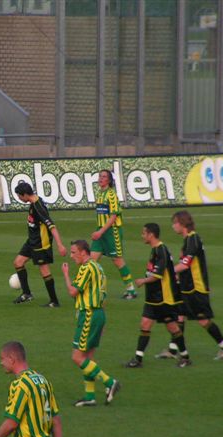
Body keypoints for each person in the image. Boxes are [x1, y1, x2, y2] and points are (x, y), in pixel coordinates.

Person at [155, 211, 223, 361]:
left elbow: (185, 264)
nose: (173, 227)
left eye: (174, 223)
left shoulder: (193, 239)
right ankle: (173, 350)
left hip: (196, 288)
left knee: (203, 320)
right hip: (187, 287)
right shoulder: (188, 240)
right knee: (179, 316)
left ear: (182, 223)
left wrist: (167, 273)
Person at [124, 223, 192, 368]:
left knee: (173, 328)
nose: (142, 236)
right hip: (152, 298)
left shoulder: (161, 250)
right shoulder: (154, 250)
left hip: (163, 298)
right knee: (145, 324)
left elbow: (158, 275)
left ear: (151, 235)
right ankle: (138, 359)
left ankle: (185, 357)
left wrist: (143, 280)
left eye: (144, 233)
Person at [61, 240, 120, 407]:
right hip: (99, 313)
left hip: (88, 314)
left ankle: (110, 382)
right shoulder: (98, 267)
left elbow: (73, 292)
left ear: (83, 252)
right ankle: (90, 396)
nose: (71, 256)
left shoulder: (86, 268)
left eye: (73, 253)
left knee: (77, 357)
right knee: (88, 358)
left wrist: (66, 274)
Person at [12, 182, 67, 308]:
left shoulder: (38, 206)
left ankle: (54, 301)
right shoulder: (33, 202)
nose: (19, 198)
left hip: (40, 243)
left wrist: (60, 245)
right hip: (31, 241)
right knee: (18, 263)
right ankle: (26, 294)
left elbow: (51, 226)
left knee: (44, 270)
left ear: (25, 194)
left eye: (19, 196)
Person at [90, 170, 137, 300]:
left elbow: (113, 216)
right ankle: (93, 289)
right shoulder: (100, 194)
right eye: (99, 176)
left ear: (109, 180)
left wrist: (100, 231)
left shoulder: (111, 195)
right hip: (101, 231)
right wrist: (99, 230)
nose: (101, 178)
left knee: (117, 260)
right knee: (91, 260)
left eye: (104, 177)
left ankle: (131, 289)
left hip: (112, 232)